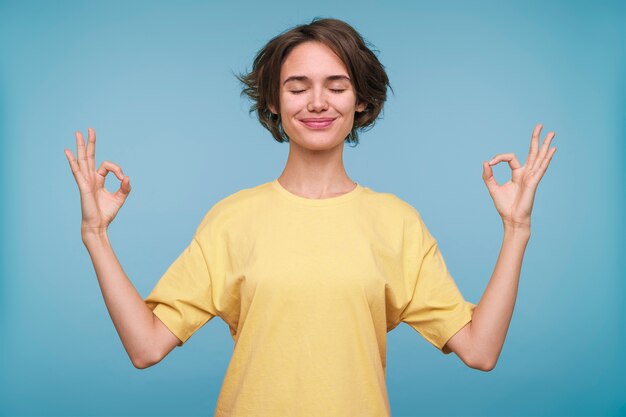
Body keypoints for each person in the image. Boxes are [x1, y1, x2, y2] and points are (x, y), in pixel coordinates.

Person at [64, 17, 556, 417]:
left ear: (360, 100)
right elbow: (145, 347)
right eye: (297, 87)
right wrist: (95, 235)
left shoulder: (396, 222)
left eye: (336, 86)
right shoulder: (232, 219)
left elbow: (480, 350)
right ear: (274, 104)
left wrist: (516, 229)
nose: (318, 102)